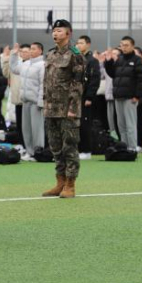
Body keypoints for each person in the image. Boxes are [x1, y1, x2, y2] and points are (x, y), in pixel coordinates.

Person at [42, 20, 85, 199]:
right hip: (51, 109)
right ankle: (59, 181)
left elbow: (78, 83)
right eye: (54, 31)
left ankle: (70, 184)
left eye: (59, 31)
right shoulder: (50, 54)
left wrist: (73, 109)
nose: (55, 34)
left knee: (70, 147)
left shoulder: (75, 54)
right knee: (55, 148)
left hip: (67, 109)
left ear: (68, 33)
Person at [104, 36, 142, 152]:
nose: (124, 47)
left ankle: (132, 148)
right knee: (121, 125)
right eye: (122, 45)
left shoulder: (137, 60)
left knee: (130, 125)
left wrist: (137, 96)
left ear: (132, 46)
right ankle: (124, 147)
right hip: (118, 96)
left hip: (130, 97)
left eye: (126, 45)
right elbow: (113, 74)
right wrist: (108, 62)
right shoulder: (120, 59)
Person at [9, 42, 45, 160]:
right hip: (25, 101)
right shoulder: (25, 64)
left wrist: (41, 102)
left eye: (34, 49)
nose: (31, 51)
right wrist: (14, 55)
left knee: (37, 129)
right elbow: (14, 68)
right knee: (27, 129)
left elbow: (43, 85)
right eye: (31, 49)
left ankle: (38, 151)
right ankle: (29, 152)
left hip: (36, 102)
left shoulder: (43, 65)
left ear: (40, 51)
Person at [76, 36, 100, 154]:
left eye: (81, 43)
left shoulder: (92, 61)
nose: (78, 45)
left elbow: (94, 81)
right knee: (76, 124)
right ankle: (78, 148)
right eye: (77, 43)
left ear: (88, 44)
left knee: (85, 124)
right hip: (75, 97)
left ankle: (86, 150)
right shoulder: (76, 59)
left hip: (85, 97)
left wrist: (89, 97)